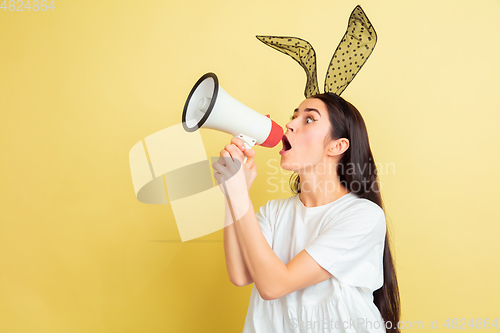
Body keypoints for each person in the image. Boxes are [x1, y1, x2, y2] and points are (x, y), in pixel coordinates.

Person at [212, 92, 400, 332]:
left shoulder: (363, 216)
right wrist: (233, 194)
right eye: (294, 116)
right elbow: (240, 275)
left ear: (337, 145)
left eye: (309, 119)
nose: (289, 124)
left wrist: (239, 195)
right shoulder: (274, 212)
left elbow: (274, 286)